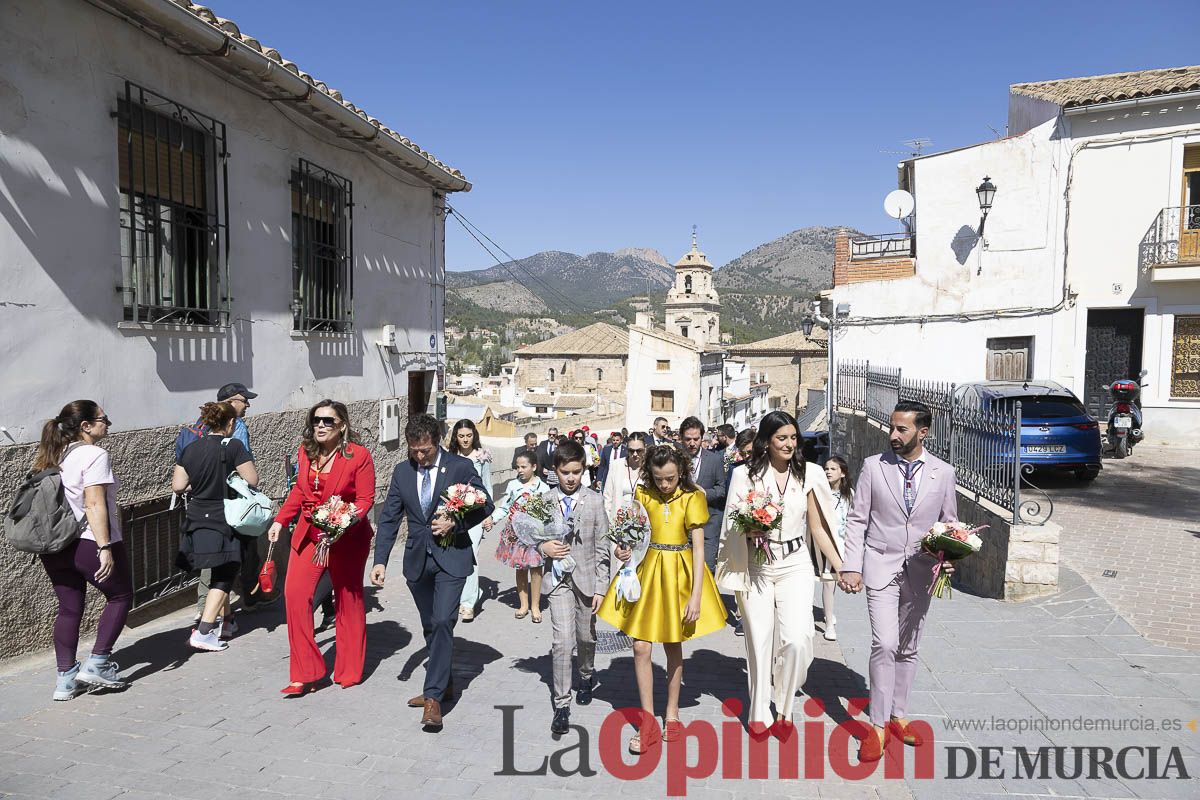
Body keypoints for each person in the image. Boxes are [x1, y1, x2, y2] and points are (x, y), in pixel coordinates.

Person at [838, 401, 959, 761]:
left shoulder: (944, 473)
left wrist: (950, 557)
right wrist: (851, 565)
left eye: (901, 429)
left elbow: (949, 524)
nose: (893, 435)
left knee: (908, 647)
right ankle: (876, 727)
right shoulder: (873, 467)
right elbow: (858, 519)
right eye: (892, 427)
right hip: (879, 565)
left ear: (923, 432)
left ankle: (898, 716)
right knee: (885, 643)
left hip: (922, 570)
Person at [716, 410, 845, 730]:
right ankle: (759, 710)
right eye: (781, 438)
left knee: (799, 640)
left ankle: (785, 704)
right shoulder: (744, 475)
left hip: (796, 563)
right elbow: (732, 524)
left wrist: (842, 567)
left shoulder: (811, 474)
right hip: (757, 565)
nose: (789, 444)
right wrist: (750, 530)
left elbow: (818, 528)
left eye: (792, 437)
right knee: (759, 641)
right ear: (767, 441)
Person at [597, 445, 726, 754]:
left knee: (673, 643)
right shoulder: (643, 494)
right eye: (658, 479)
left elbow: (698, 549)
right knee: (640, 646)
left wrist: (696, 595)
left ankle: (671, 712)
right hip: (647, 569)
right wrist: (622, 550)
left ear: (680, 471)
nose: (665, 485)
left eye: (670, 478)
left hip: (679, 574)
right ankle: (647, 722)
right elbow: (633, 537)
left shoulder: (692, 497)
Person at [371, 414, 495, 732]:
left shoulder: (459, 467)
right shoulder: (402, 472)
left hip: (452, 557)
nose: (419, 456)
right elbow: (389, 519)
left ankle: (433, 698)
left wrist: (456, 521)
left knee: (442, 621)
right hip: (417, 562)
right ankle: (445, 682)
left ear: (437, 441)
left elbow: (485, 504)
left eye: (425, 450)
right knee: (430, 626)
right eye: (414, 450)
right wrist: (380, 560)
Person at [267, 400, 375, 693]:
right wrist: (280, 520)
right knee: (294, 595)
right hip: (308, 536)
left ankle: (349, 669)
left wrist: (342, 522)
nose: (321, 426)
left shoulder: (358, 455)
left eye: (328, 421)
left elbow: (365, 499)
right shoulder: (306, 452)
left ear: (342, 425)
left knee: (348, 600)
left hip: (347, 538)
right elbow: (300, 491)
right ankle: (306, 671)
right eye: (316, 420)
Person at [33, 401, 132, 700]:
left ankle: (65, 681)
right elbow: (94, 503)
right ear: (86, 426)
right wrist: (105, 547)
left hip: (55, 545)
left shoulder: (53, 454)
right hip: (88, 540)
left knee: (69, 608)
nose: (108, 424)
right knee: (121, 595)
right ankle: (99, 662)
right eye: (104, 419)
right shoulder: (94, 454)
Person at [537, 441, 629, 735]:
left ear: (584, 471)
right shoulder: (545, 500)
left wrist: (602, 588)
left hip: (587, 581)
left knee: (585, 636)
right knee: (563, 641)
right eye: (565, 472)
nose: (571, 478)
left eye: (576, 472)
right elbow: (530, 539)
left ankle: (587, 673)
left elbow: (602, 546)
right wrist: (543, 546)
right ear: (555, 471)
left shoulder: (594, 500)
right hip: (558, 581)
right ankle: (561, 704)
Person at [173, 402, 258, 652]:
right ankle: (205, 631)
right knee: (226, 572)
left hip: (198, 516)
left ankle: (228, 622)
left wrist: (199, 483)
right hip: (225, 517)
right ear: (230, 423)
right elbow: (252, 479)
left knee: (220, 568)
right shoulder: (233, 446)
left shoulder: (190, 448)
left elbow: (178, 486)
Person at [186, 382, 265, 621]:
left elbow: (180, 482)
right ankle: (210, 619)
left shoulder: (198, 428)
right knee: (227, 561)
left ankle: (221, 612)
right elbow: (249, 477)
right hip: (230, 504)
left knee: (214, 557)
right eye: (244, 400)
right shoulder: (236, 429)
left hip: (201, 503)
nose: (248, 404)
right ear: (231, 403)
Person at [490, 451, 550, 621]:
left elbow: (548, 513)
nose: (520, 470)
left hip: (535, 534)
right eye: (518, 467)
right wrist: (492, 520)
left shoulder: (543, 488)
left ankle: (535, 606)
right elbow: (504, 507)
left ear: (534, 467)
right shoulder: (512, 485)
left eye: (524, 467)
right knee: (521, 568)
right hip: (516, 534)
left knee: (537, 569)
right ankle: (523, 604)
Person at [448, 419, 492, 622]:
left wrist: (488, 515)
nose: (465, 440)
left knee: (471, 555)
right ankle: (455, 596)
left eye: (469, 435)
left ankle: (468, 603)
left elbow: (487, 486)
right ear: (455, 437)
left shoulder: (482, 456)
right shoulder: (449, 457)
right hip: (453, 514)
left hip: (475, 513)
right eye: (461, 436)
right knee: (454, 554)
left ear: (474, 435)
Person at [820, 456, 855, 642]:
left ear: (842, 473)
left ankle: (829, 613)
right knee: (828, 581)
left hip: (842, 543)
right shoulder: (820, 491)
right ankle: (828, 623)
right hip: (823, 542)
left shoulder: (849, 493)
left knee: (833, 582)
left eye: (832, 469)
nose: (828, 471)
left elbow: (852, 519)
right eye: (826, 468)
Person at [602, 432, 648, 523]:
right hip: (618, 522)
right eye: (631, 450)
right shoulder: (616, 465)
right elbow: (607, 497)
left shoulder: (649, 467)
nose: (635, 454)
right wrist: (609, 522)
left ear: (645, 448)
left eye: (639, 451)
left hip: (642, 522)